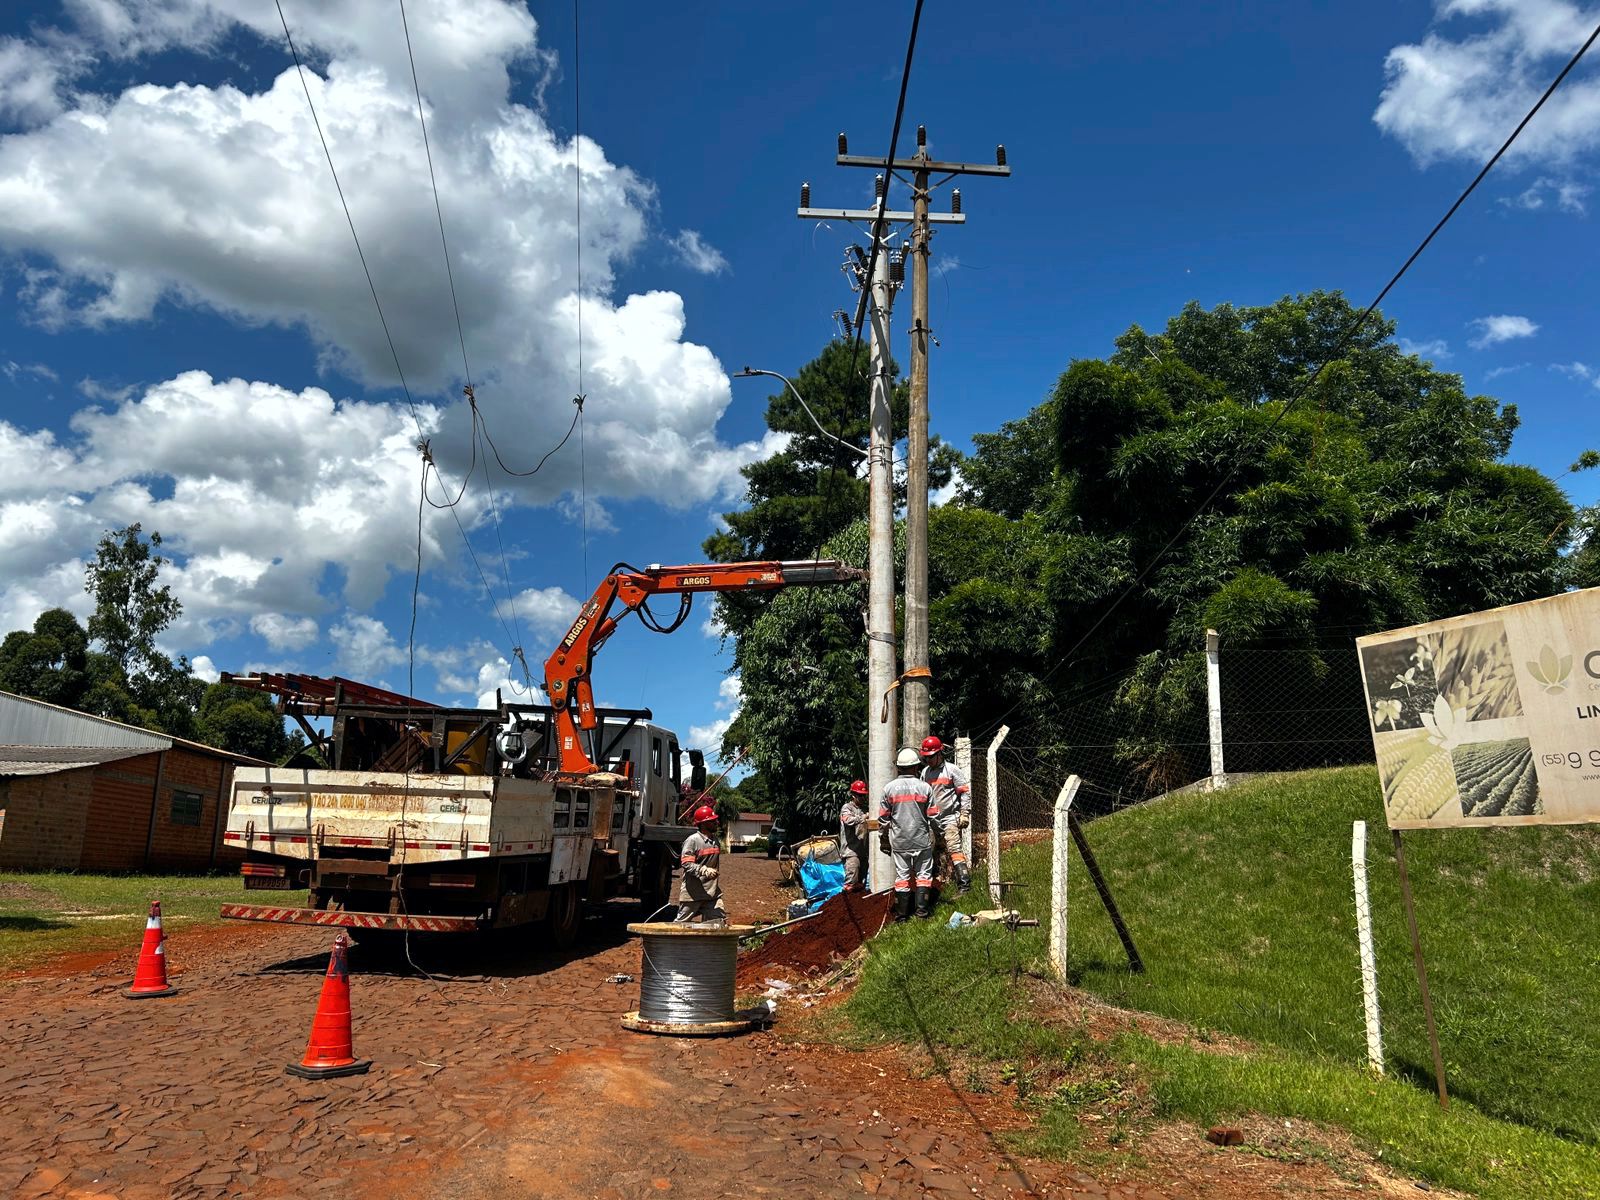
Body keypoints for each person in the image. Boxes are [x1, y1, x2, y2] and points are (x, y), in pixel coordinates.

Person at [878, 748, 937, 921]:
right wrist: (940, 836)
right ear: (916, 767)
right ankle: (921, 913)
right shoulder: (925, 787)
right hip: (921, 840)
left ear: (898, 768)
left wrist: (884, 840)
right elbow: (933, 816)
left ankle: (902, 916)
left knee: (902, 877)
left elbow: (883, 819)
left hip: (900, 842)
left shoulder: (889, 789)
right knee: (923, 876)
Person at [920, 735, 973, 895]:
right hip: (931, 820)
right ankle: (938, 884)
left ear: (939, 754)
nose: (928, 760)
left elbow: (964, 793)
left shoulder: (952, 770)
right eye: (926, 757)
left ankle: (965, 886)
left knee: (954, 849)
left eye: (931, 757)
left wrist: (964, 814)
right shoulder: (925, 773)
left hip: (950, 817)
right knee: (932, 851)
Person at [675, 805, 726, 924]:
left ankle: (709, 943)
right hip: (693, 893)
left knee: (718, 923)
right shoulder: (693, 841)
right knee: (680, 926)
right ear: (703, 824)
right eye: (712, 821)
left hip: (711, 893)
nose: (716, 822)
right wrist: (704, 870)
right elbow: (686, 864)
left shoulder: (715, 841)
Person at [839, 780, 871, 891]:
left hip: (862, 852)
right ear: (853, 795)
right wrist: (863, 818)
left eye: (863, 796)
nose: (862, 798)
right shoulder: (847, 808)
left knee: (861, 885)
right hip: (851, 852)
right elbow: (848, 820)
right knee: (850, 884)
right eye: (859, 795)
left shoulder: (864, 809)